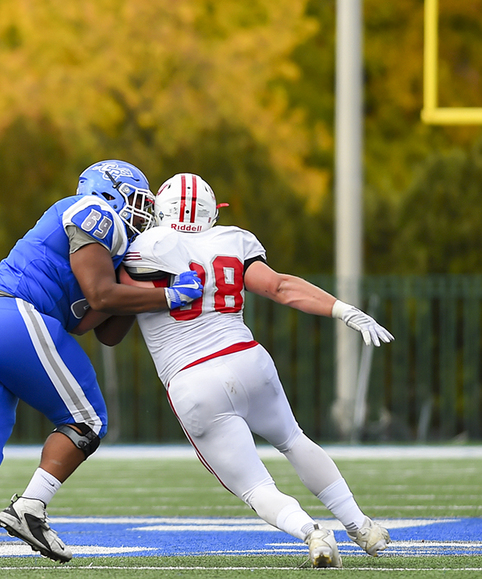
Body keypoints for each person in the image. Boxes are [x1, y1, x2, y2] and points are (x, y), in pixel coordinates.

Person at [0, 160, 204, 569]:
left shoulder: (105, 247)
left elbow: (98, 328)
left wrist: (141, 282)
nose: (142, 214)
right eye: (137, 201)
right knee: (89, 420)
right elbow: (100, 295)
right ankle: (30, 507)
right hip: (9, 314)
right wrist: (169, 297)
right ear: (109, 192)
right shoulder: (93, 211)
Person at [104, 173, 393, 568]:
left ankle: (312, 534)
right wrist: (343, 310)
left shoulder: (139, 248)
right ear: (212, 212)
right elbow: (279, 287)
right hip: (247, 358)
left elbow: (111, 307)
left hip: (191, 377)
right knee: (294, 440)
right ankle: (361, 526)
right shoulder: (232, 239)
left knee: (256, 487)